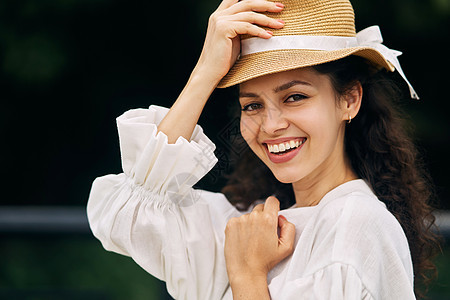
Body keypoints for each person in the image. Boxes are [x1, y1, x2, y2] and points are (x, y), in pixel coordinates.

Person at [87, 0, 439, 299]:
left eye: (295, 97)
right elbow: (128, 214)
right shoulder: (251, 229)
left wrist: (248, 278)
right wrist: (205, 72)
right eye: (252, 105)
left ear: (349, 99)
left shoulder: (356, 225)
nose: (270, 125)